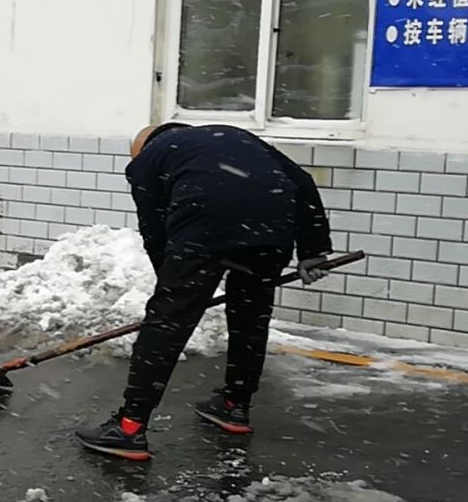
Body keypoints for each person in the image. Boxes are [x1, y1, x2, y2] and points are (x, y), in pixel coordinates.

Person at [76, 122, 333, 461]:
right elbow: (302, 182)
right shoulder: (234, 137)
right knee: (250, 317)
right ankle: (234, 405)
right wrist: (313, 249)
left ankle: (129, 427)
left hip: (205, 224)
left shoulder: (148, 159)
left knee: (167, 325)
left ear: (144, 148)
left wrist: (173, 288)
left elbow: (154, 227)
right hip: (272, 226)